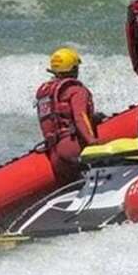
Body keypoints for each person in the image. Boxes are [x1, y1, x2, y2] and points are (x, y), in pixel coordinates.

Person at [36, 47, 100, 185]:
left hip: (54, 155)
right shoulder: (75, 90)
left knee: (72, 188)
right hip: (72, 147)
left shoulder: (46, 93)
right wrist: (92, 142)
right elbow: (80, 117)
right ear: (73, 69)